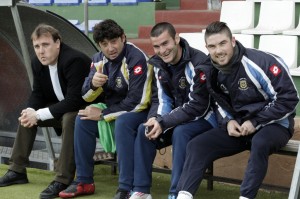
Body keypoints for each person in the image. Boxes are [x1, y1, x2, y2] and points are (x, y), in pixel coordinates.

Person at [175, 21, 299, 199]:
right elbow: (217, 101)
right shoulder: (209, 70)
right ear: (207, 48)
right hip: (241, 127)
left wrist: (256, 121)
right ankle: (183, 195)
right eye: (212, 46)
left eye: (222, 43)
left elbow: (289, 99)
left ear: (233, 41)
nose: (218, 51)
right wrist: (228, 121)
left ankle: (246, 197)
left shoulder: (261, 62)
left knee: (260, 142)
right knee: (197, 145)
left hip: (276, 125)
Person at [114, 22, 216, 199]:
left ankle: (176, 193)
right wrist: (155, 119)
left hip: (206, 118)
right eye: (157, 46)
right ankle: (141, 190)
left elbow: (197, 106)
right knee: (145, 128)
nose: (162, 50)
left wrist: (165, 121)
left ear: (176, 39)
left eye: (165, 43)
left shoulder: (198, 63)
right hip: (177, 118)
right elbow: (161, 99)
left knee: (181, 133)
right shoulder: (159, 65)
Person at [58, 19, 152, 198]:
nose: (110, 48)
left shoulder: (136, 58)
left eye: (114, 41)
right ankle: (84, 181)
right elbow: (85, 96)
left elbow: (139, 101)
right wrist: (93, 85)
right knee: (82, 119)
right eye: (104, 44)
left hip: (140, 112)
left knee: (123, 122)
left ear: (123, 38)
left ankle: (125, 187)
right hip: (114, 109)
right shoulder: (98, 59)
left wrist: (103, 114)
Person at [0, 24, 91, 199]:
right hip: (63, 110)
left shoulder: (74, 60)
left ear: (58, 43)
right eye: (37, 46)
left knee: (70, 118)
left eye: (45, 45)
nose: (41, 51)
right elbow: (38, 93)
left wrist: (39, 114)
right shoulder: (38, 62)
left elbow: (75, 101)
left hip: (88, 113)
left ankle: (63, 178)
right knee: (26, 116)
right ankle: (17, 170)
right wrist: (30, 111)